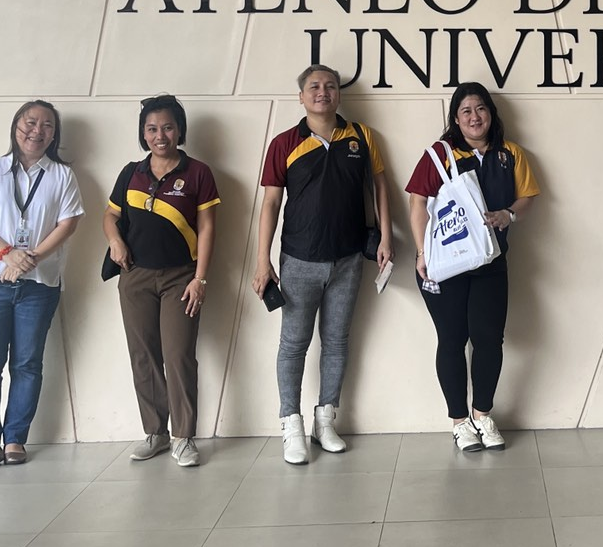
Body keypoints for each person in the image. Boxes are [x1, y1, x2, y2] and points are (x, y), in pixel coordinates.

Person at [252, 64, 393, 465]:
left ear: (339, 94)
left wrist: (386, 235)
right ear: (301, 97)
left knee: (336, 343)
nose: (322, 92)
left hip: (349, 259)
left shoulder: (362, 137)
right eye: (313, 87)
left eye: (329, 86)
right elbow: (270, 204)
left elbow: (379, 186)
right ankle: (290, 425)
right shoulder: (283, 143)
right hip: (298, 260)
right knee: (293, 346)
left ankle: (325, 420)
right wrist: (263, 261)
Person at [405, 82, 541, 451]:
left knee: (489, 340)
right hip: (445, 266)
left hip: (491, 263)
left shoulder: (510, 154)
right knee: (452, 339)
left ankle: (483, 415)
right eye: (465, 111)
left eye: (480, 108)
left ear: (491, 113)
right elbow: (418, 204)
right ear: (455, 118)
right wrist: (422, 254)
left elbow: (527, 196)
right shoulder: (440, 154)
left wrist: (508, 214)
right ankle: (459, 422)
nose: (474, 117)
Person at [0, 100, 84, 467]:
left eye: (47, 126)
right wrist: (8, 254)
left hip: (39, 285)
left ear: (54, 135)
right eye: (31, 122)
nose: (38, 131)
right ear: (16, 126)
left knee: (27, 364)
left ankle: (15, 438)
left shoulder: (62, 176)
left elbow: (68, 223)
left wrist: (32, 259)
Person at [104, 94, 220, 468]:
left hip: (181, 279)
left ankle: (184, 438)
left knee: (178, 355)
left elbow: (206, 227)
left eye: (167, 127)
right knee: (143, 356)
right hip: (135, 277)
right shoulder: (131, 173)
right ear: (143, 132)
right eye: (152, 129)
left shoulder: (198, 172)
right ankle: (155, 432)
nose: (160, 135)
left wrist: (200, 279)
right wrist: (116, 241)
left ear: (179, 130)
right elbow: (110, 216)